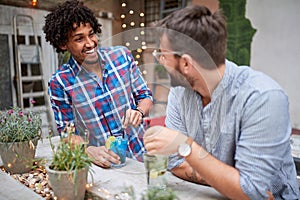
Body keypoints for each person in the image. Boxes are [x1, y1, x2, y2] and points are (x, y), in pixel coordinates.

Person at [143, 5, 299, 200]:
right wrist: (229, 182)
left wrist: (186, 146)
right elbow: (175, 164)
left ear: (185, 63)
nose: (160, 61)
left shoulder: (263, 97)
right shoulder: (179, 94)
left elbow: (252, 194)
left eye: (163, 55)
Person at [43, 0, 153, 168]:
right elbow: (67, 133)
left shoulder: (122, 56)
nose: (90, 43)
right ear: (63, 44)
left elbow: (145, 96)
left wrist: (139, 112)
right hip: (102, 166)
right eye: (79, 38)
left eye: (91, 34)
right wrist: (88, 151)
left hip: (140, 155)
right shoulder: (60, 83)